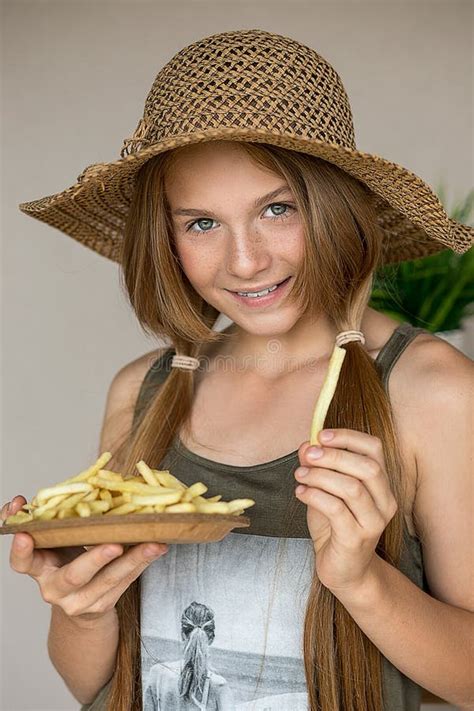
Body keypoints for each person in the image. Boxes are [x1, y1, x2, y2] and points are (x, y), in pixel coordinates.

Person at [3, 28, 473, 711]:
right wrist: (81, 609)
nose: (245, 261)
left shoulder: (432, 391)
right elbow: (95, 682)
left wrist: (362, 578)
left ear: (335, 206)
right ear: (163, 236)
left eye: (276, 209)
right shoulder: (145, 389)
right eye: (201, 223)